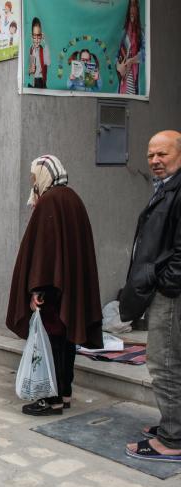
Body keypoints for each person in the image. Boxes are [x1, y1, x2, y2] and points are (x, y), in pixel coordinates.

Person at [7, 155, 103, 416]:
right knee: (66, 338)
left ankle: (53, 399)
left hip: (52, 287)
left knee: (54, 340)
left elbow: (45, 252)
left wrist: (37, 289)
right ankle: (66, 392)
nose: (33, 183)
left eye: (34, 177)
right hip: (68, 285)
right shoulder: (73, 198)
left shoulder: (50, 201)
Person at [121, 131, 181, 462]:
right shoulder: (166, 188)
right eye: (150, 155)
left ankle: (172, 440)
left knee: (164, 363)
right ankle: (174, 425)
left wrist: (163, 284)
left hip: (171, 295)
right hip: (166, 289)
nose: (155, 161)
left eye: (163, 154)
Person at [117, 0, 144, 95]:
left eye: (135, 6)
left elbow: (145, 54)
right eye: (131, 6)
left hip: (134, 78)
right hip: (123, 78)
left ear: (138, 10)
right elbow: (116, 56)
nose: (132, 9)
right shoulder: (123, 33)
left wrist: (131, 60)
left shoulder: (141, 34)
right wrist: (119, 66)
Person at [28, 17, 49, 89]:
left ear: (41, 36)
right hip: (34, 81)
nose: (37, 40)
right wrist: (30, 70)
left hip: (41, 81)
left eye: (39, 36)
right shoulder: (31, 49)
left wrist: (45, 42)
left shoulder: (43, 50)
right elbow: (31, 67)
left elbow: (48, 62)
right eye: (34, 36)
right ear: (31, 37)